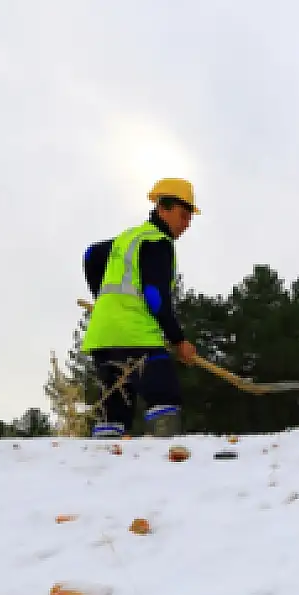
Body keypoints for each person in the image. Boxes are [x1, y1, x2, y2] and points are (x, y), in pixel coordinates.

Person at [79, 178, 200, 438]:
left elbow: (91, 254)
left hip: (103, 339)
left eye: (190, 218)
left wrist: (102, 300)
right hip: (137, 338)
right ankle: (166, 465)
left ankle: (103, 469)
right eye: (183, 215)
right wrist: (179, 340)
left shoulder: (128, 238)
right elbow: (155, 295)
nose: (187, 224)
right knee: (165, 399)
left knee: (112, 411)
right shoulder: (158, 241)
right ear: (163, 209)